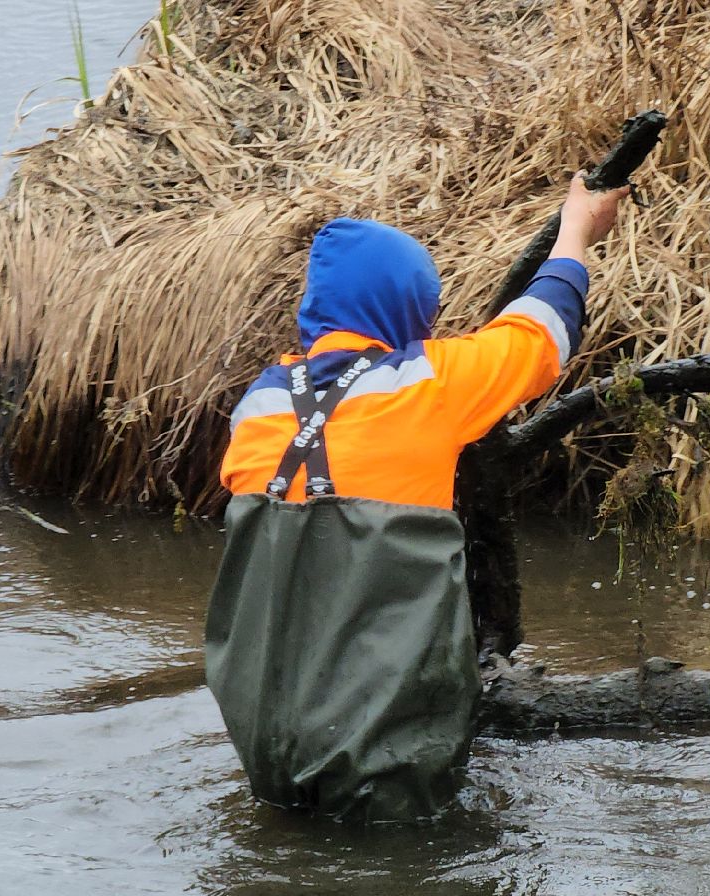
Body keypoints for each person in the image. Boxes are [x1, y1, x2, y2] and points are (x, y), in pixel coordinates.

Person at [205, 175, 628, 821]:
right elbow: (543, 331)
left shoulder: (257, 408)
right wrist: (577, 229)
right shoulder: (428, 382)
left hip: (267, 745)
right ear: (406, 307)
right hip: (389, 761)